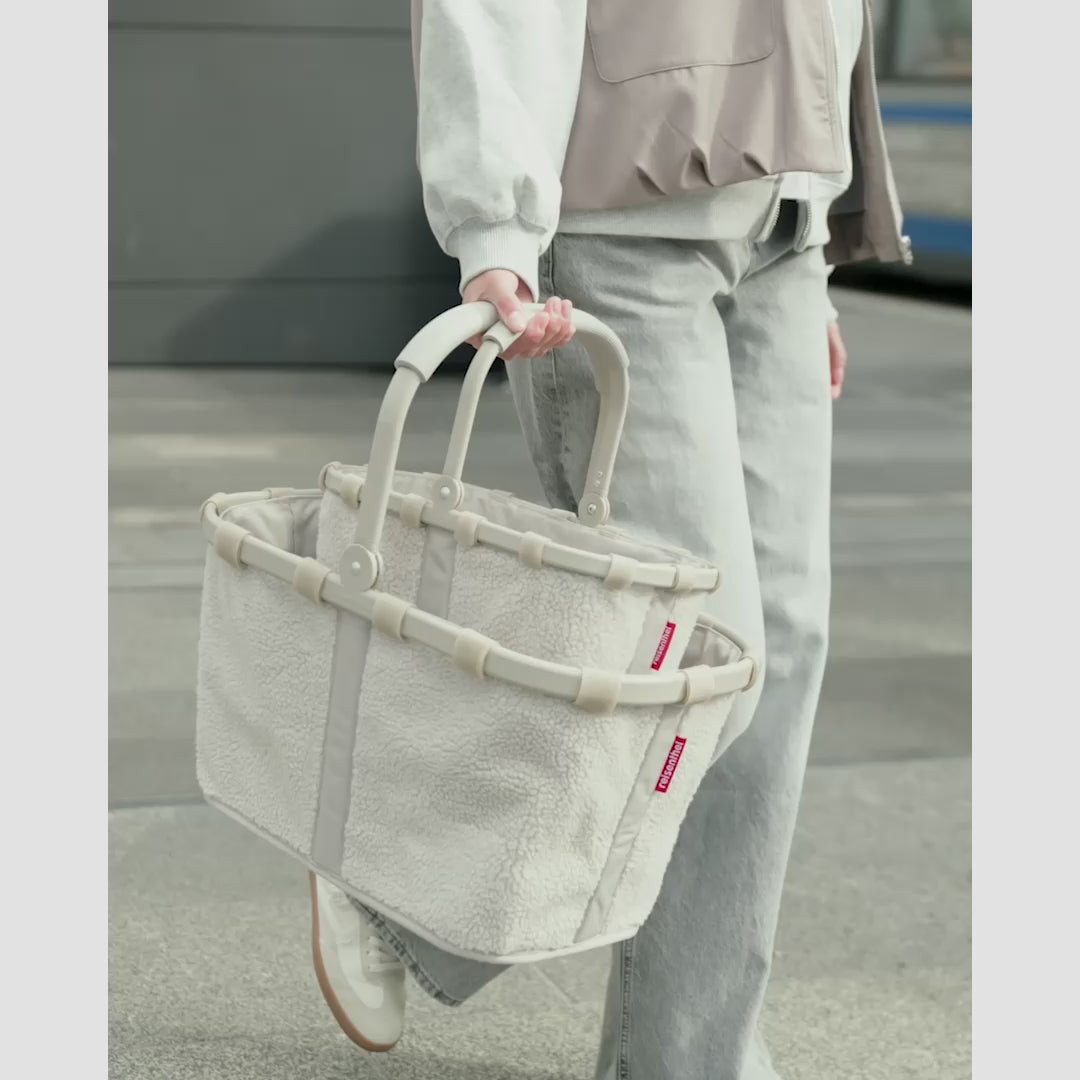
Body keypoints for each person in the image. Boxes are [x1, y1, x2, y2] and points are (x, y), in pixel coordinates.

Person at [309, 1, 909, 1077]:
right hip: (626, 221)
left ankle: (689, 1060)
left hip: (784, 231)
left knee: (778, 657)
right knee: (691, 663)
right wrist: (496, 223)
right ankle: (404, 902)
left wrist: (818, 224)